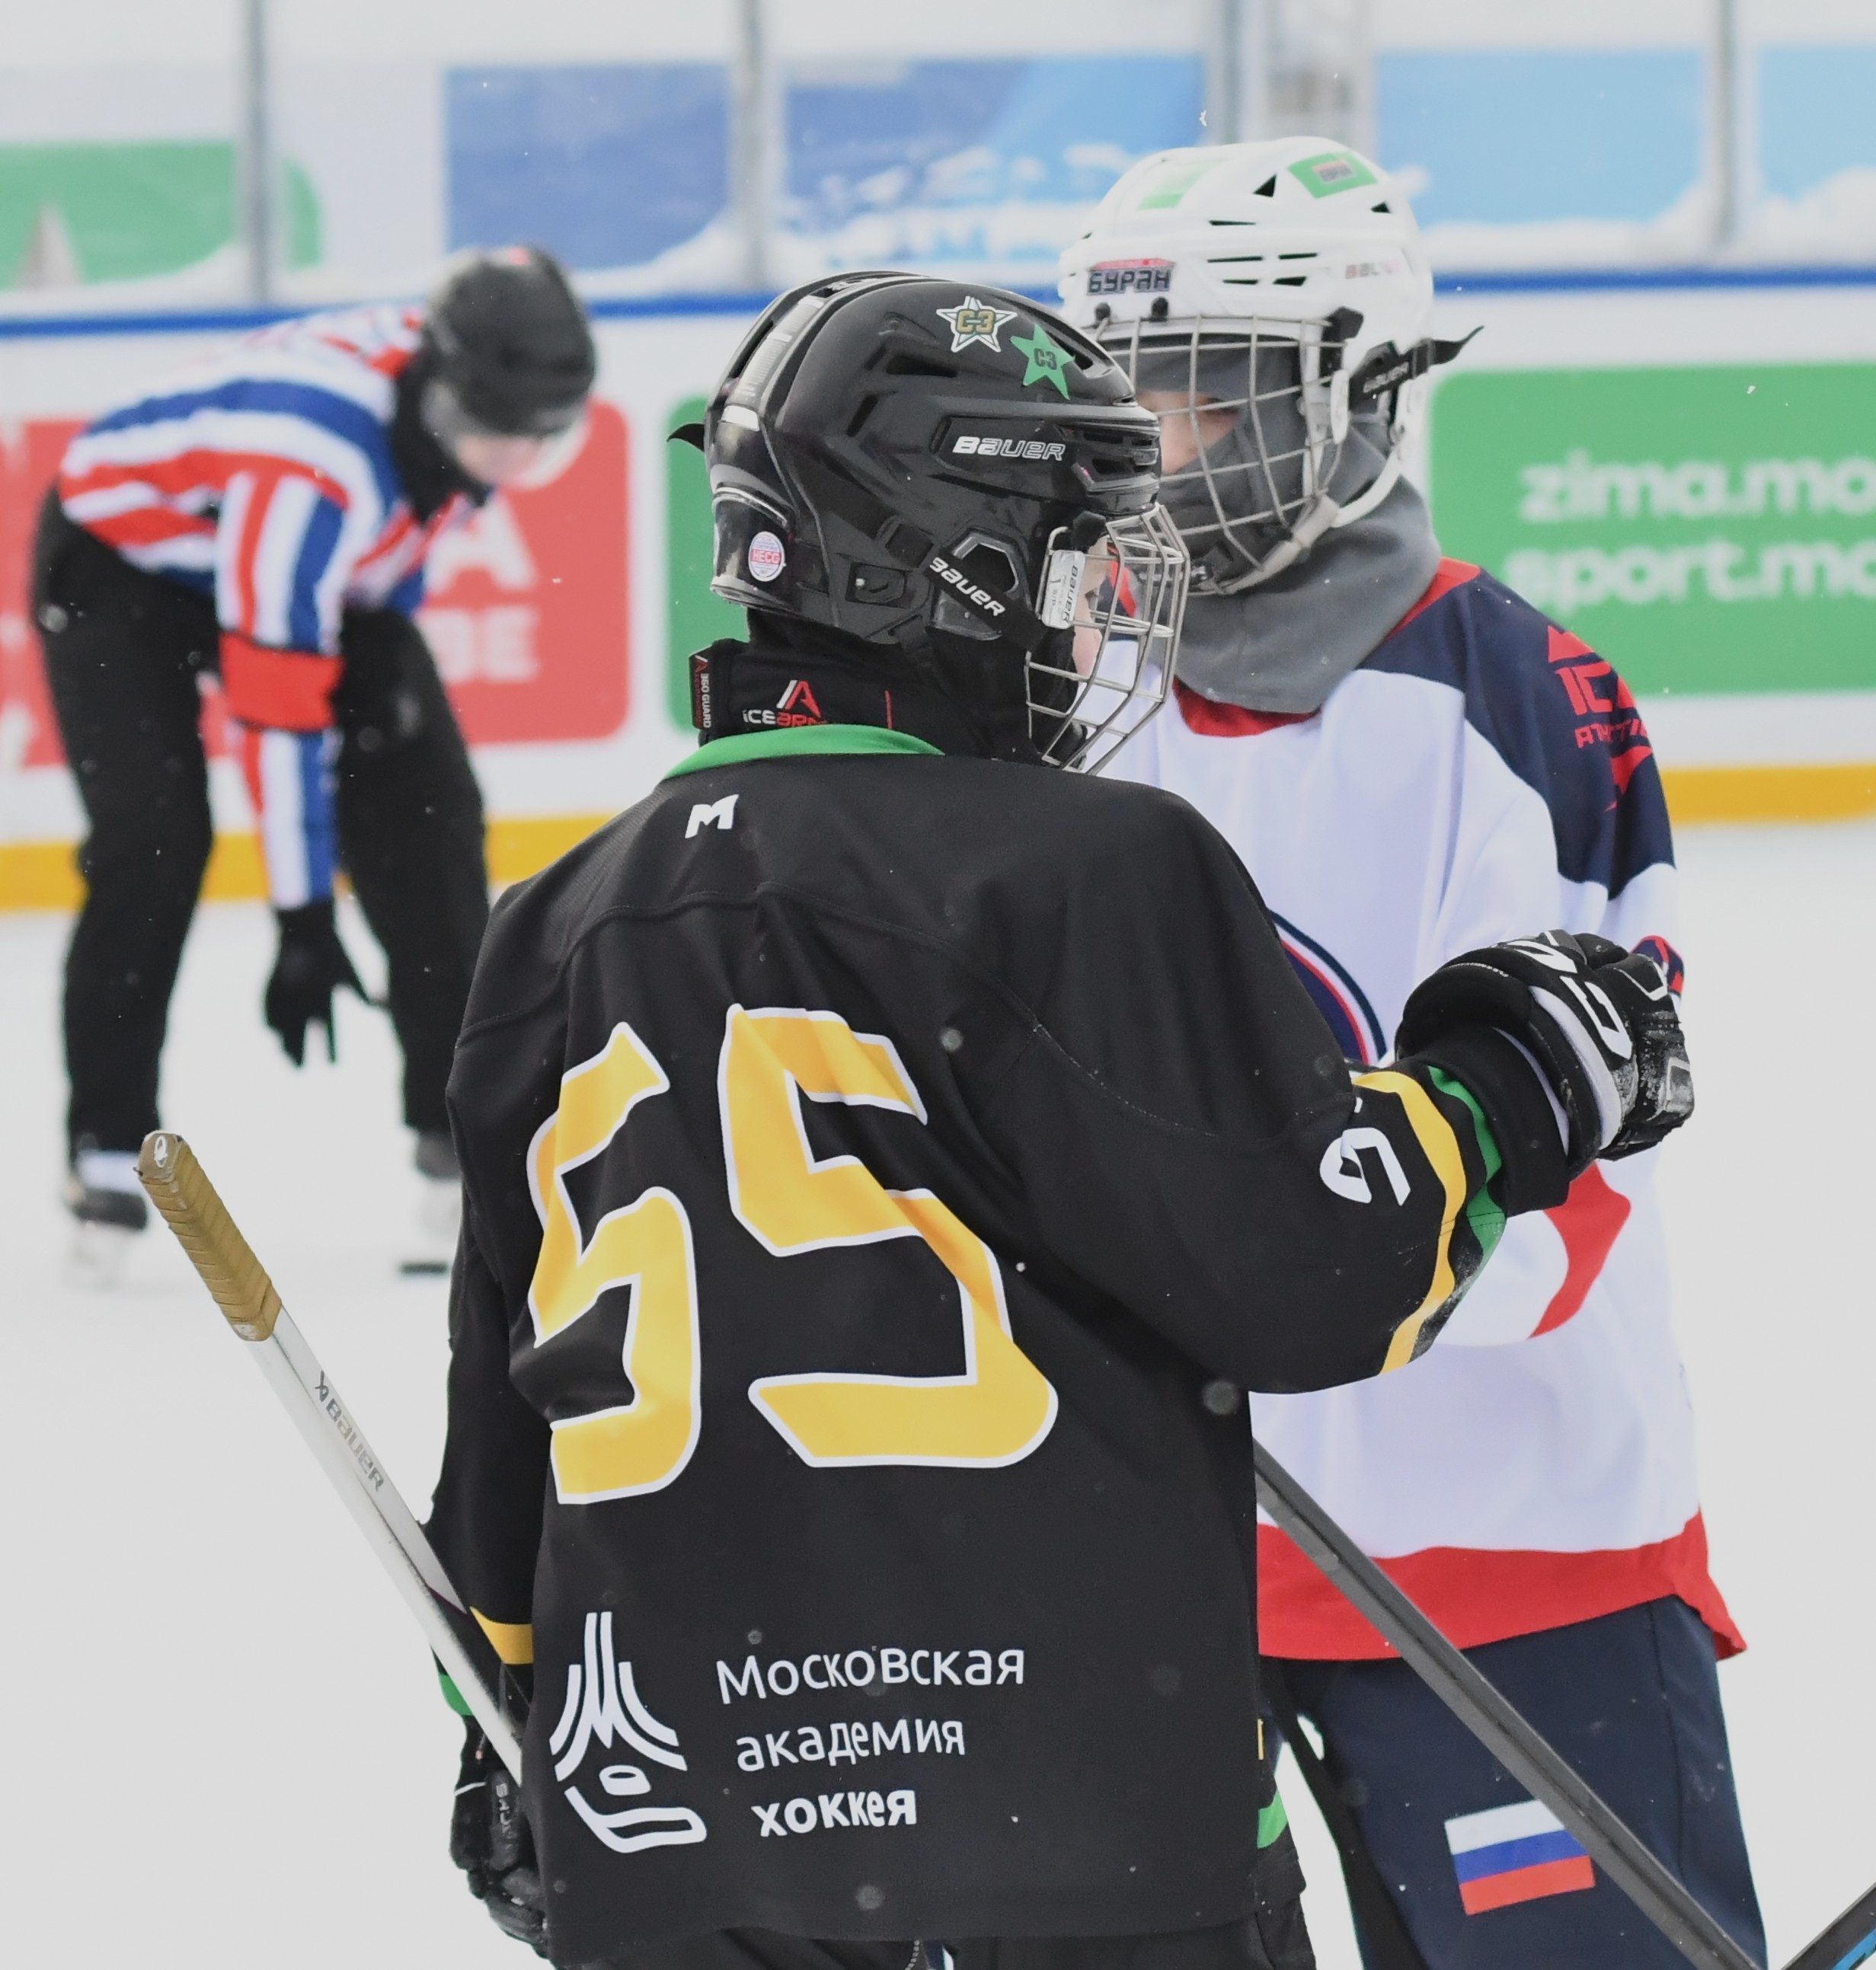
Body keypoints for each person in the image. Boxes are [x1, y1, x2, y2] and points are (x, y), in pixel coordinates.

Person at [421, 270, 1693, 1970]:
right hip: (1072, 1821)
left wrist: (505, 1724)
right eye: (1074, 566)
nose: (1095, 628)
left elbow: (504, 1461)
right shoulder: (1088, 869)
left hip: (688, 1840)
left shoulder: (558, 923)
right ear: (953, 564)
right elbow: (1314, 1273)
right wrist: (1505, 1082)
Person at [1057, 139, 1763, 1970]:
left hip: (1502, 1552)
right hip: (1149, 1574)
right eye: (1126, 396)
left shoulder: (1519, 705)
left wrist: (1280, 1292)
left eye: (1207, 396)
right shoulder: (1065, 697)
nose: (1152, 447)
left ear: (1359, 389)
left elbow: (1582, 1151)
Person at [38, 245, 597, 1276]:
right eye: (493, 438)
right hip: (124, 561)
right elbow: (278, 713)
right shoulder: (314, 465)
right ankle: (108, 1148)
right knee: (154, 840)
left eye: (537, 444)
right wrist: (301, 917)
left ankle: (458, 1140)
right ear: (442, 395)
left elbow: (383, 583)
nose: (508, 466)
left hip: (293, 556)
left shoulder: (465, 414)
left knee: (431, 819)